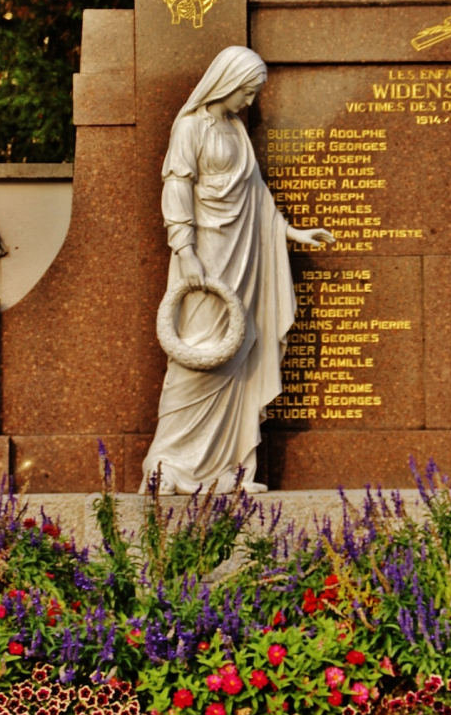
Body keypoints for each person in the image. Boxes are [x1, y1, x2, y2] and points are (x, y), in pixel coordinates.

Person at [140, 46, 333, 495]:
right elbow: (176, 186)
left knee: (237, 351)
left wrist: (293, 233)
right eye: (246, 90)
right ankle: (169, 462)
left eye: (254, 92)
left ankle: (223, 466)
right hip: (206, 255)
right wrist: (184, 249)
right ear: (226, 82)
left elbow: (257, 195)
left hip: (245, 252)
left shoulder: (236, 129)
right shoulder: (190, 127)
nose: (249, 100)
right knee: (199, 355)